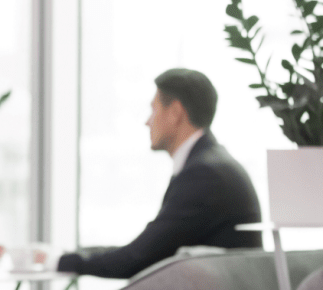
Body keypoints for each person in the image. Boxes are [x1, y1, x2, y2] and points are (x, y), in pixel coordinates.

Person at [57, 68, 261, 278]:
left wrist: (59, 262)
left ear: (175, 113)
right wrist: (74, 255)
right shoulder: (211, 164)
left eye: (153, 110)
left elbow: (136, 258)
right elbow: (148, 248)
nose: (147, 121)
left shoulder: (205, 175)